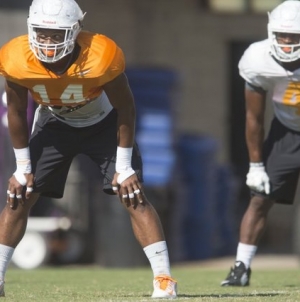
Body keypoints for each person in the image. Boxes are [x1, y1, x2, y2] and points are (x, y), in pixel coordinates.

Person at [0, 0, 177, 298]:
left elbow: (126, 108)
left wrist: (124, 166)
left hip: (103, 122)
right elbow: (16, 114)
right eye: (41, 33)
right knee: (20, 195)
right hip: (53, 123)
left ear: (75, 30)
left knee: (132, 194)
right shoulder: (16, 57)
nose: (47, 41)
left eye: (56, 35)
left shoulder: (101, 55)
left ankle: (163, 278)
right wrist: (22, 168)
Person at [221, 0, 300, 286]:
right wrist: (256, 165)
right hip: (287, 131)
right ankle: (241, 268)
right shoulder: (258, 59)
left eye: (295, 36)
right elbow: (253, 117)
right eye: (283, 35)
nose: (289, 43)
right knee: (260, 198)